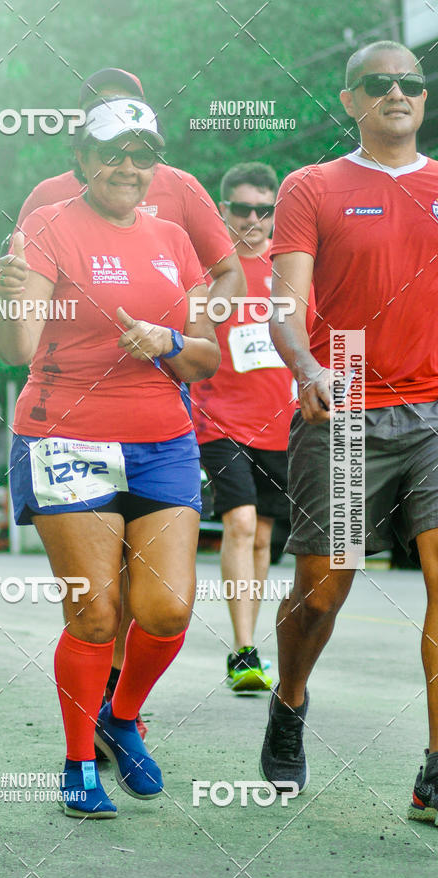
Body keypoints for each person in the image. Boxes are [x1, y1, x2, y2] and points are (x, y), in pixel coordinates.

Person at [0, 67, 245, 736]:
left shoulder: (177, 206)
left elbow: (225, 283)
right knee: (98, 608)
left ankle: (118, 714)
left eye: (141, 147)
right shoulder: (48, 206)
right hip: (70, 430)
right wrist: (10, 298)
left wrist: (183, 335)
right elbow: (20, 333)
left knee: (159, 603)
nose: (128, 163)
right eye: (111, 144)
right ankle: (85, 744)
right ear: (80, 145)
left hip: (161, 428)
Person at [258, 39, 438, 818]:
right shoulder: (313, 186)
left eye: (412, 84)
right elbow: (284, 308)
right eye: (380, 83)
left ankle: (434, 769)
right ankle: (290, 697)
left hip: (435, 410)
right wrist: (306, 366)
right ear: (351, 99)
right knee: (323, 593)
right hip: (346, 404)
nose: (398, 93)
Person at [193, 163, 315, 693]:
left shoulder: (290, 269)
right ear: (223, 211)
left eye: (264, 210)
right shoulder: (210, 272)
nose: (253, 219)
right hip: (216, 419)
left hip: (279, 424)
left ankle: (250, 648)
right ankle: (242, 651)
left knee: (263, 534)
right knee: (241, 523)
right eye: (241, 208)